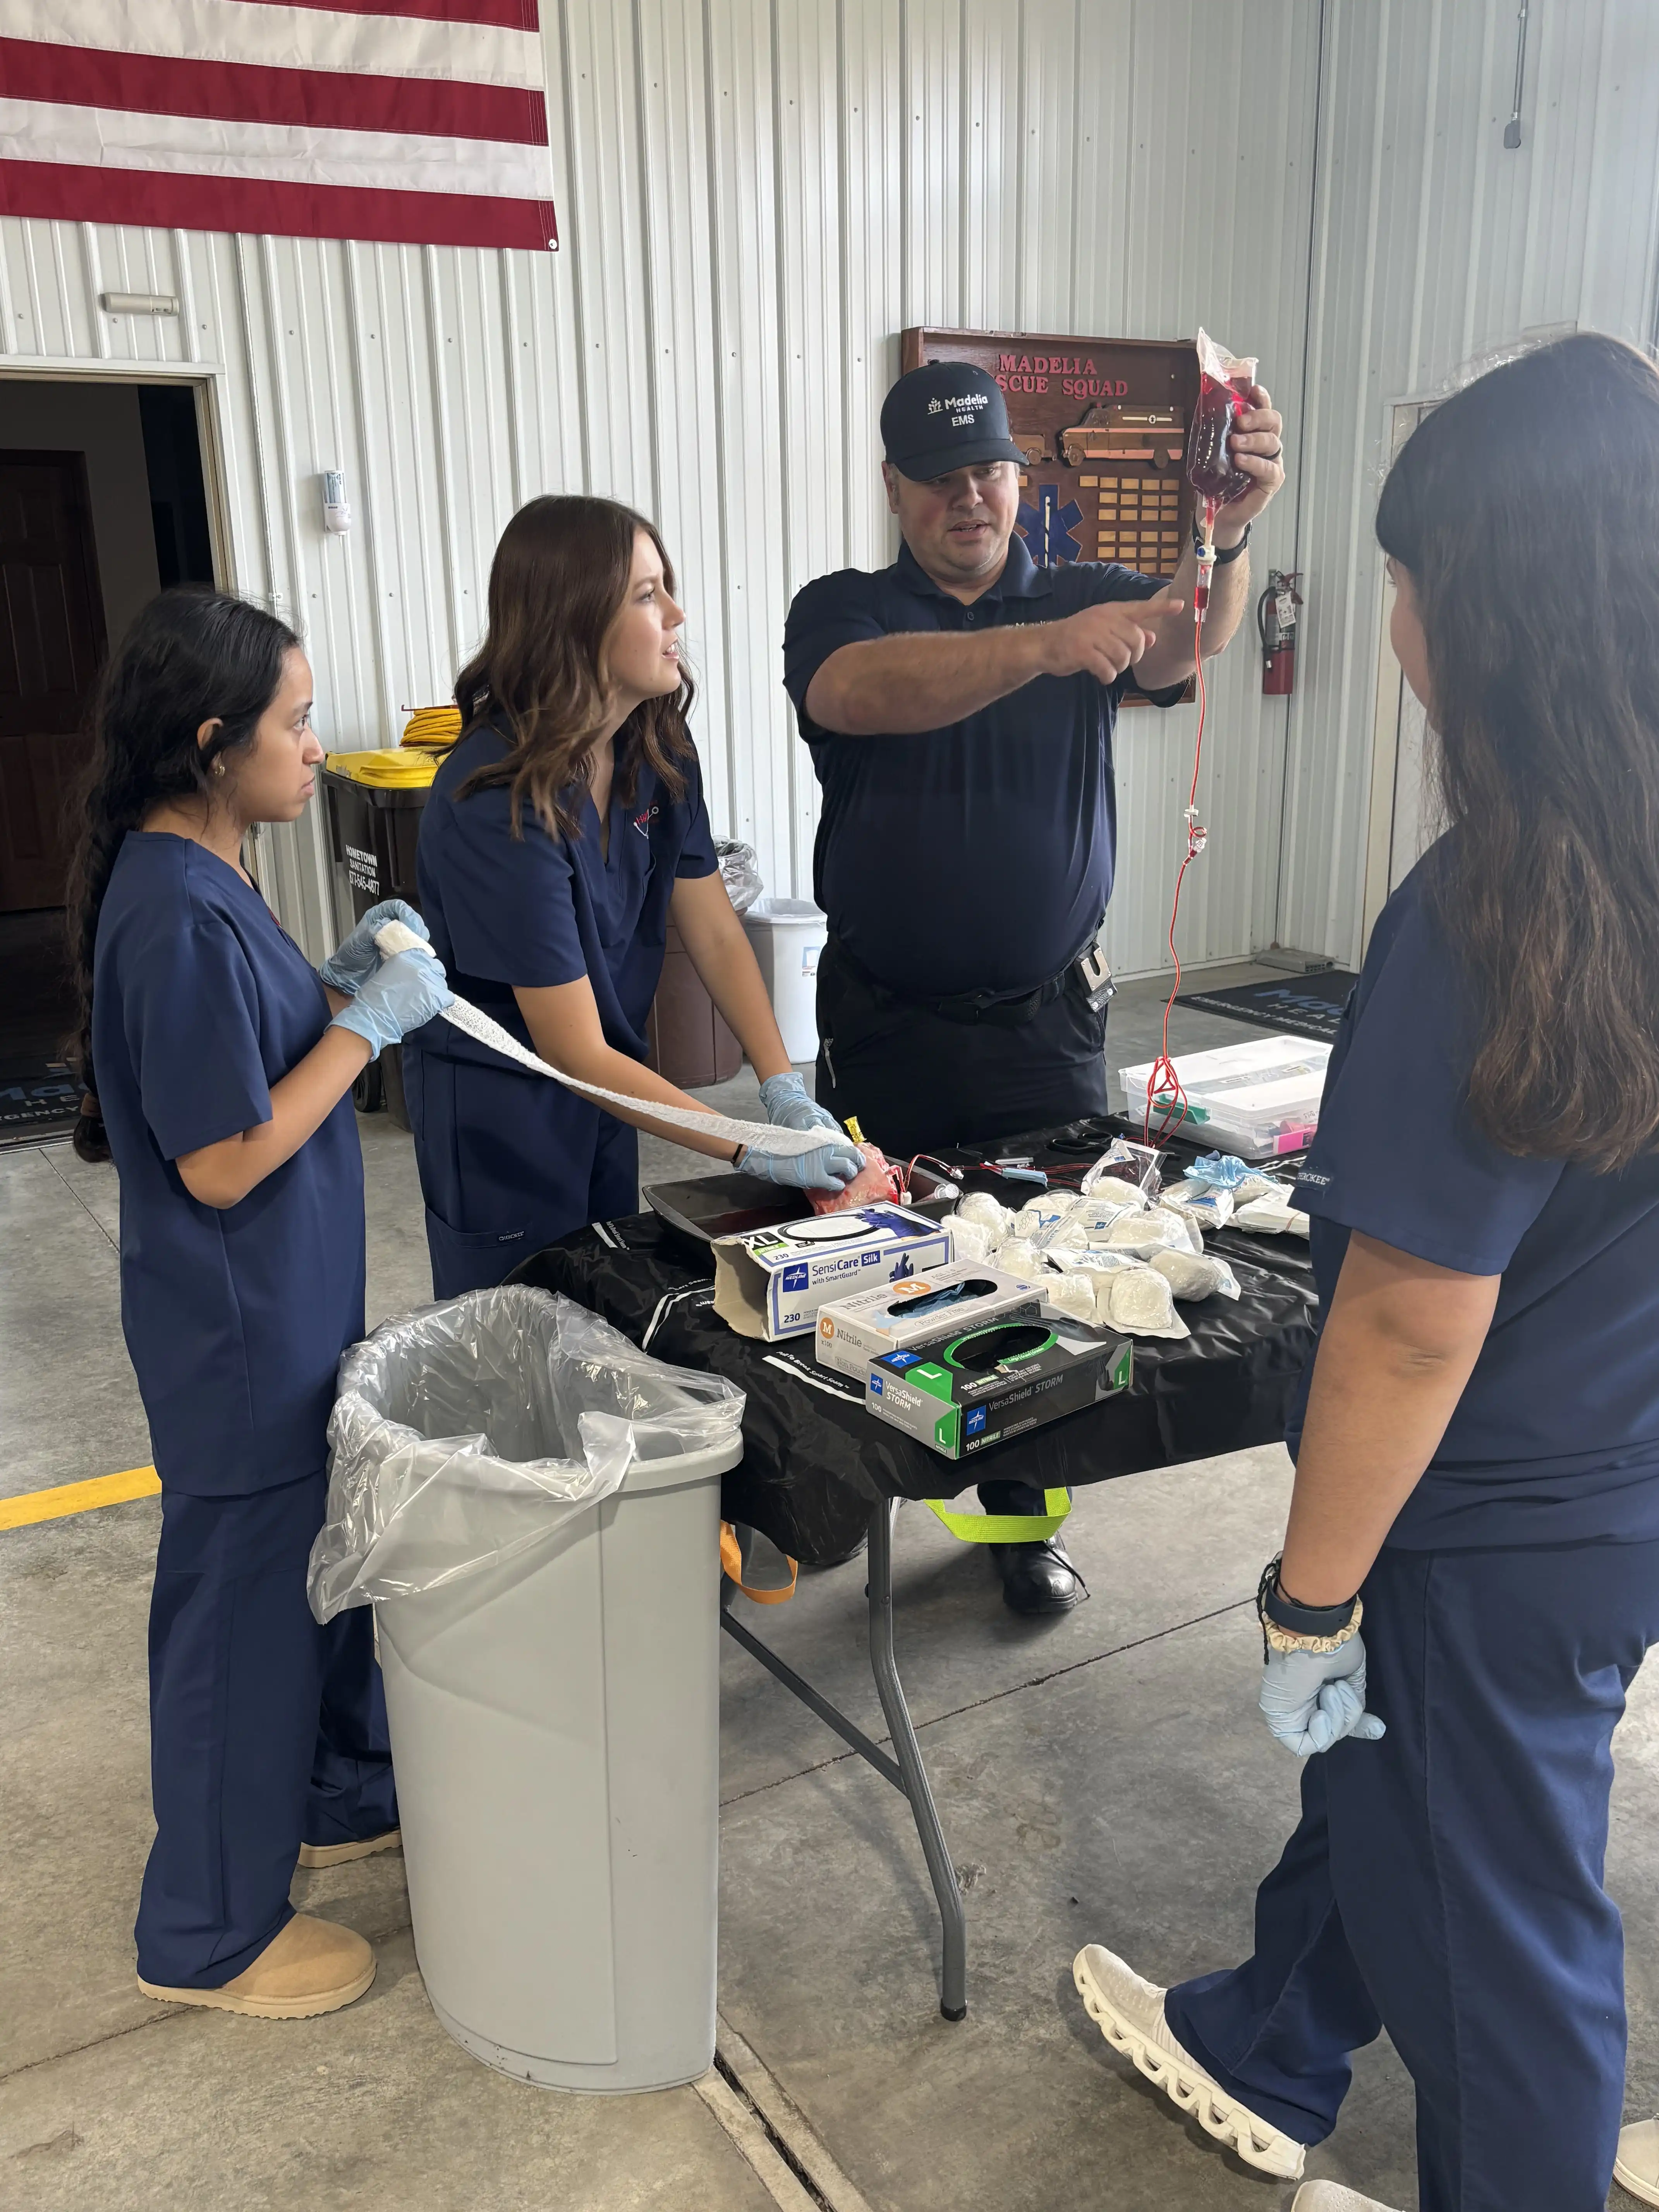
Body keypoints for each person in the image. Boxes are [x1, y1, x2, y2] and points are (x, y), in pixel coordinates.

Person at [1072, 333, 1659, 2212]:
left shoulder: (1496, 906)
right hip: (1619, 1465)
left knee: (1498, 1944)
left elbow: (1409, 1324)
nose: (1391, 623)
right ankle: (1270, 2041)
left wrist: (1312, 1594)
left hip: (1488, 1523)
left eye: (1404, 583)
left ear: (1486, 611)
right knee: (1396, 1796)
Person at [782, 359, 1284, 1614]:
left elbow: (1180, 640)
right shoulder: (842, 613)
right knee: (890, 1270)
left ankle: (1019, 1526)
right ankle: (867, 1499)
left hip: (1043, 1027)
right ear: (895, 488)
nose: (970, 497)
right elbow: (861, 694)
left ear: (1019, 474)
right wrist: (1051, 645)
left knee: (1048, 1277)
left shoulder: (1084, 596)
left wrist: (1226, 527)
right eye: (941, 478)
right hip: (886, 1026)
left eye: (990, 471)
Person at [68, 589, 452, 2018]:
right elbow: (225, 1156)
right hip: (236, 1338)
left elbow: (250, 1044)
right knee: (237, 1620)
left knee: (315, 1578)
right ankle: (206, 1930)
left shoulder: (211, 879)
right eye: (296, 726)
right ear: (215, 742)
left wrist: (334, 984)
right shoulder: (169, 911)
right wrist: (362, 1032)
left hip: (287, 1318)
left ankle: (336, 1790)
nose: (314, 749)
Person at [403, 495, 861, 1298]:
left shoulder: (655, 749)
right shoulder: (496, 798)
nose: (677, 613)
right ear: (571, 621)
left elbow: (715, 930)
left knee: (604, 1306)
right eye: (648, 595)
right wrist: (748, 1145)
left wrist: (780, 1083)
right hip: (505, 1114)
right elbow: (570, 1048)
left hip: (610, 1091)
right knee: (522, 1335)